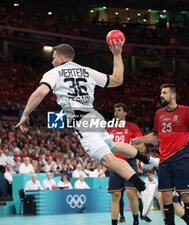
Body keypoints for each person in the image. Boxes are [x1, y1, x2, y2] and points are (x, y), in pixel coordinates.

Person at [16, 43, 158, 196]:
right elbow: (117, 80)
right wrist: (117, 55)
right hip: (94, 115)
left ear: (61, 58)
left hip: (81, 121)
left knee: (107, 160)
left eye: (54, 58)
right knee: (113, 147)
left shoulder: (54, 72)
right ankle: (149, 160)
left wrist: (25, 114)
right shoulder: (87, 71)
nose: (52, 62)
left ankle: (144, 188)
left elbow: (40, 92)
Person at [132, 83, 189, 225]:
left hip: (182, 158)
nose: (161, 95)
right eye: (161, 92)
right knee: (165, 197)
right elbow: (155, 135)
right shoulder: (159, 113)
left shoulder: (186, 111)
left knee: (186, 196)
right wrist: (138, 139)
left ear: (173, 95)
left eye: (164, 93)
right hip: (165, 161)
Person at [106, 103, 146, 225]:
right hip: (114, 164)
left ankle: (135, 223)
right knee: (115, 196)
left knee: (130, 193)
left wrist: (132, 145)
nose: (116, 113)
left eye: (119, 110)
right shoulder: (109, 128)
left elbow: (142, 147)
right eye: (115, 111)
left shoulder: (133, 127)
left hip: (129, 163)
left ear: (125, 113)